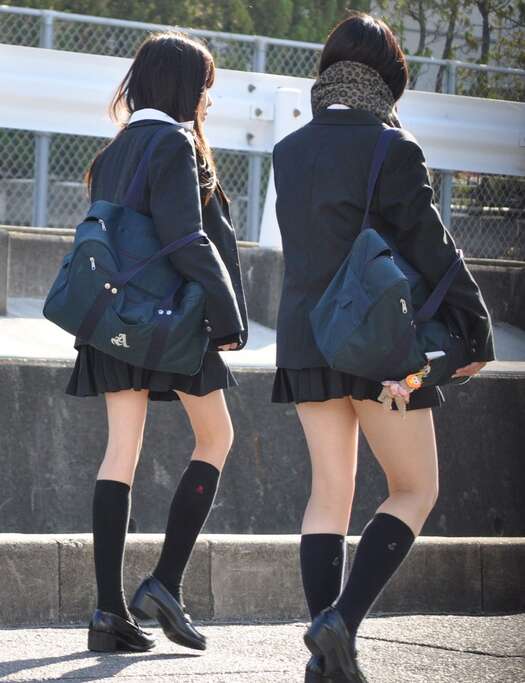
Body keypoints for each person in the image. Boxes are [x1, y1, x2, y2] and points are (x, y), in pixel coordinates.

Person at [270, 12, 494, 683]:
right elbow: (432, 247)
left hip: (305, 339)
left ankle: (326, 660)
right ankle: (341, 622)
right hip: (379, 342)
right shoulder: (391, 147)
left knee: (329, 492)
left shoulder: (289, 150)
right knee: (415, 488)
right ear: (389, 80)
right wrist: (474, 329)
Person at [65, 30, 248, 653]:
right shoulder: (174, 142)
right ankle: (165, 582)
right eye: (204, 87)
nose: (208, 100)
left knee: (121, 451)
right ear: (182, 87)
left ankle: (107, 612)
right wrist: (227, 316)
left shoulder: (113, 150)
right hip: (170, 322)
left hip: (114, 319)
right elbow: (186, 238)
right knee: (216, 437)